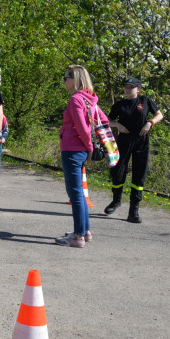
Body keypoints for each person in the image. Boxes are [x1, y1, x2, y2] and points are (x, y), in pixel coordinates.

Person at [58, 64, 106, 247]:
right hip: (80, 151)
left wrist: (89, 148)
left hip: (73, 150)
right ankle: (85, 231)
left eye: (65, 78)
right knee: (79, 193)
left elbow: (82, 128)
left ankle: (77, 237)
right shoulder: (90, 99)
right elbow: (104, 120)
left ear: (75, 80)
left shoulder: (76, 100)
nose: (64, 82)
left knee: (75, 193)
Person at [106, 77, 164, 223]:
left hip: (141, 141)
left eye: (131, 87)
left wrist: (150, 123)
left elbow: (159, 115)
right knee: (118, 172)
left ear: (138, 89)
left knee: (139, 175)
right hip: (124, 141)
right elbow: (107, 121)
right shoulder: (119, 104)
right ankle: (116, 201)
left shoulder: (145, 101)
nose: (127, 89)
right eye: (126, 86)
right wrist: (117, 125)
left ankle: (133, 212)